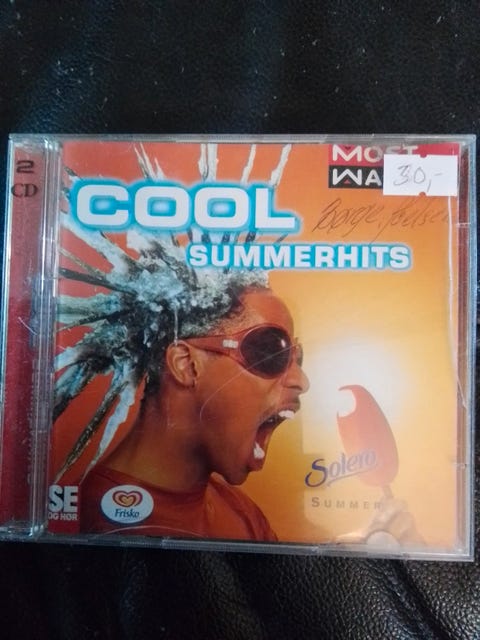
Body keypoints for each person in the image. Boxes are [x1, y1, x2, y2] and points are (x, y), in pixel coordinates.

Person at [54, 224, 309, 541]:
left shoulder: (241, 513)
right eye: (269, 351)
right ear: (186, 364)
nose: (301, 380)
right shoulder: (90, 522)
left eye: (298, 358)